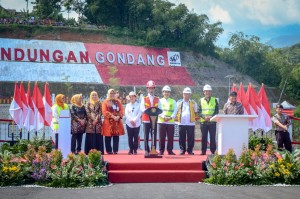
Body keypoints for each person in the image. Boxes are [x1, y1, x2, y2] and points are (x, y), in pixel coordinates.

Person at [140, 80, 162, 156]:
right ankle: (146, 150)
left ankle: (154, 150)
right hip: (146, 120)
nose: (151, 90)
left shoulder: (157, 98)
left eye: (152, 88)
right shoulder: (144, 98)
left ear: (154, 89)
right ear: (147, 89)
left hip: (154, 120)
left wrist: (155, 112)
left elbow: (160, 108)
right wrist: (148, 111)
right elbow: (142, 108)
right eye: (149, 88)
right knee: (146, 136)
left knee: (154, 135)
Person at [102, 89, 125, 154]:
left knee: (116, 137)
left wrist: (118, 116)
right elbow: (104, 111)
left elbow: (121, 110)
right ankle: (109, 150)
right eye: (110, 93)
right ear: (108, 94)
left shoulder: (118, 101)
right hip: (108, 122)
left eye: (113, 93)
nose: (112, 95)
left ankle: (115, 150)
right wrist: (113, 116)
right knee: (108, 136)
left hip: (117, 121)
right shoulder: (105, 102)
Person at [176, 87, 198, 155]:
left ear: (190, 95)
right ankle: (182, 150)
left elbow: (196, 112)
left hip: (190, 123)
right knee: (181, 137)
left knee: (190, 137)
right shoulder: (179, 102)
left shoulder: (193, 103)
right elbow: (176, 111)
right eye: (185, 94)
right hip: (181, 122)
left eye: (188, 94)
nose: (186, 95)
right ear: (183, 94)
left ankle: (190, 150)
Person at [199, 84, 219, 155]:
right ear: (204, 92)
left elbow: (216, 111)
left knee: (212, 137)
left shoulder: (215, 100)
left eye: (209, 91)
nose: (207, 93)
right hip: (203, 122)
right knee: (204, 137)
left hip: (212, 122)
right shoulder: (201, 100)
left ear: (211, 92)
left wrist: (211, 117)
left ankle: (213, 151)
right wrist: (204, 117)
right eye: (206, 91)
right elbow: (199, 111)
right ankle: (203, 151)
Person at [158, 85, 178, 155]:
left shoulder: (173, 101)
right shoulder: (159, 101)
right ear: (163, 92)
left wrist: (170, 117)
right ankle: (161, 150)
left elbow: (175, 111)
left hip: (170, 122)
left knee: (170, 137)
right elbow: (158, 111)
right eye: (165, 92)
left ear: (170, 93)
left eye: (168, 92)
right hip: (162, 121)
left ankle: (170, 150)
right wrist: (163, 117)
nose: (166, 93)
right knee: (161, 137)